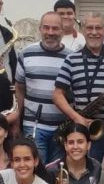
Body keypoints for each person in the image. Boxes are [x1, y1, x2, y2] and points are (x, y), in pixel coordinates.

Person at [54, 12, 104, 164]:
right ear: (83, 30)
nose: (94, 32)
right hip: (86, 128)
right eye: (89, 28)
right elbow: (57, 95)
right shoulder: (71, 59)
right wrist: (77, 118)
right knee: (87, 174)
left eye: (98, 28)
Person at [15, 11, 69, 163]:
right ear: (40, 29)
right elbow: (19, 89)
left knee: (56, 173)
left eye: (55, 28)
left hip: (62, 128)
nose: (50, 33)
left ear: (63, 31)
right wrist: (17, 124)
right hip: (34, 126)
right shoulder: (25, 53)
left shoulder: (71, 57)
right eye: (46, 28)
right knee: (36, 171)